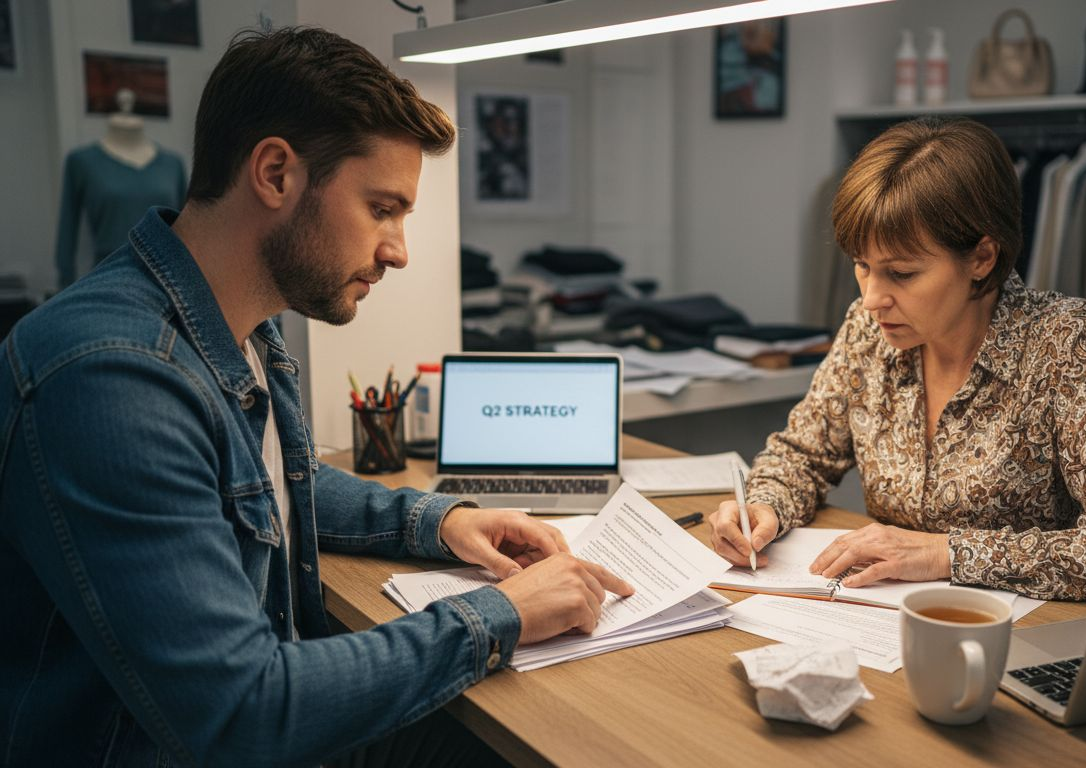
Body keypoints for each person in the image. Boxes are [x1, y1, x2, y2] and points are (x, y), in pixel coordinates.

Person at [0, 27, 632, 767]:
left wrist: (444, 520)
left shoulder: (238, 326)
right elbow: (244, 715)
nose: (399, 250)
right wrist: (503, 611)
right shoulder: (113, 377)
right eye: (382, 208)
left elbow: (262, 483)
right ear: (275, 173)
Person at [710, 117, 1086, 602]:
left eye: (902, 273)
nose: (872, 298)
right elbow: (802, 455)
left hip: (1026, 629)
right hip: (884, 614)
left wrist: (945, 553)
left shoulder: (1068, 342)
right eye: (863, 266)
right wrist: (763, 507)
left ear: (982, 258)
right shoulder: (868, 332)